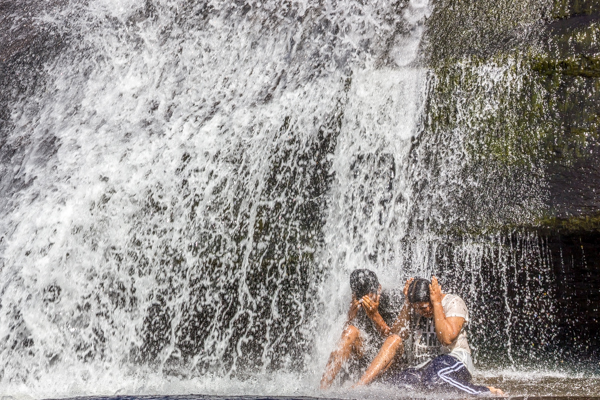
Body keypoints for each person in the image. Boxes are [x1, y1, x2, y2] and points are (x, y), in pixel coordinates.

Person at [353, 276, 504, 396]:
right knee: (398, 385)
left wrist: (437, 303)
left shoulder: (453, 302)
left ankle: (483, 391)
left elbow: (446, 339)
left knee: (434, 378)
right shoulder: (415, 307)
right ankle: (359, 387)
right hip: (422, 365)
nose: (421, 312)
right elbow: (397, 334)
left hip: (453, 359)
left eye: (424, 308)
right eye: (416, 308)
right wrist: (407, 304)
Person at [320, 269, 404, 389]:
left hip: (390, 359)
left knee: (394, 339)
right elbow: (340, 342)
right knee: (350, 331)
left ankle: (357, 388)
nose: (366, 302)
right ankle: (322, 389)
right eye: (361, 298)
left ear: (379, 288)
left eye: (370, 297)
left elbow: (397, 338)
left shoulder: (392, 298)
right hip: (365, 356)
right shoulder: (353, 302)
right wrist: (350, 317)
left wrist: (375, 316)